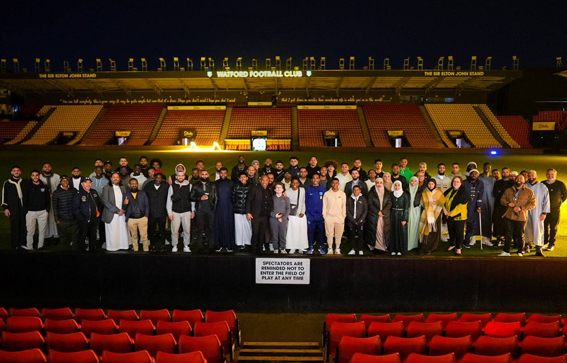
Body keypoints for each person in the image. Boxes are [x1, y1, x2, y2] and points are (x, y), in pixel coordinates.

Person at [499, 174, 536, 257]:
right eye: (517, 178)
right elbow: (502, 199)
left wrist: (521, 208)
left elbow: (533, 204)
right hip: (509, 216)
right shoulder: (508, 190)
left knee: (520, 235)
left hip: (521, 217)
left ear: (524, 181)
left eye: (521, 178)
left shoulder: (529, 192)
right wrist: (508, 203)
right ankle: (506, 251)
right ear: (515, 180)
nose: (519, 180)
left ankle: (520, 251)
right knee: (508, 234)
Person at [101, 172, 130, 252]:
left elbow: (125, 199)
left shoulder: (122, 187)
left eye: (117, 177)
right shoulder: (106, 188)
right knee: (112, 231)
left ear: (119, 179)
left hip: (122, 213)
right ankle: (112, 247)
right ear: (111, 179)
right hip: (112, 213)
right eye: (113, 177)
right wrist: (117, 211)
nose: (115, 179)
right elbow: (105, 201)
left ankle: (122, 245)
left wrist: (124, 207)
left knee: (122, 230)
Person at [167, 171, 194, 253]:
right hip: (175, 211)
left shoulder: (190, 186)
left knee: (187, 230)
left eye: (182, 175)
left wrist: (192, 211)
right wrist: (170, 212)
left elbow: (192, 200)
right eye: (179, 176)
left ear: (184, 176)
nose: (180, 177)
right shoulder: (172, 186)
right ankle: (175, 245)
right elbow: (169, 200)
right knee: (174, 231)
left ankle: (186, 245)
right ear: (176, 177)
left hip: (186, 211)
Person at [23, 170, 51, 250]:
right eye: (33, 175)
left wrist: (47, 210)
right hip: (30, 212)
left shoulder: (44, 186)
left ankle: (40, 247)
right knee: (30, 231)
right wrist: (26, 210)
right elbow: (25, 199)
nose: (35, 177)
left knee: (42, 231)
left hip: (42, 212)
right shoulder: (27, 186)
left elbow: (48, 199)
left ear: (39, 176)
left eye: (37, 175)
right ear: (31, 176)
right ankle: (30, 247)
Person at [463, 169, 491, 248]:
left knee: (471, 224)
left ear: (478, 175)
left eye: (476, 174)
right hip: (464, 206)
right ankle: (459, 240)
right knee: (462, 224)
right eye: (472, 173)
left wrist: (479, 206)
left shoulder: (480, 183)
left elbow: (480, 196)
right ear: (469, 174)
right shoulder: (464, 183)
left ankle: (467, 240)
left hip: (474, 207)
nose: (474, 175)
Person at [73, 178, 103, 252]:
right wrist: (82, 219)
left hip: (94, 219)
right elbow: (76, 208)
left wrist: (98, 213)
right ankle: (81, 252)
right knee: (82, 236)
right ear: (82, 184)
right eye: (86, 183)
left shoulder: (94, 192)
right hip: (83, 220)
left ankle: (92, 250)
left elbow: (99, 203)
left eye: (89, 182)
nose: (88, 184)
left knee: (93, 235)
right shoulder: (78, 194)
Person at [525, 170, 550, 256]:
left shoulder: (542, 187)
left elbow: (547, 200)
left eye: (533, 175)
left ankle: (538, 248)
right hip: (526, 210)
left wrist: (544, 212)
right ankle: (527, 244)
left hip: (538, 210)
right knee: (526, 227)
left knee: (538, 228)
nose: (531, 177)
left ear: (536, 176)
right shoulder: (524, 186)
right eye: (529, 175)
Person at [192, 170, 217, 252]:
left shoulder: (212, 185)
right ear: (200, 175)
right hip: (200, 210)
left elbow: (216, 198)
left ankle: (211, 245)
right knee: (200, 228)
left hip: (210, 210)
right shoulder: (196, 185)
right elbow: (191, 197)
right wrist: (200, 198)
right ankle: (200, 245)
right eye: (202, 174)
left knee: (211, 228)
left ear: (208, 175)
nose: (204, 176)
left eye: (206, 174)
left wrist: (214, 208)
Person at [246, 175, 273, 254]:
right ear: (260, 181)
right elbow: (248, 200)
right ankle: (253, 249)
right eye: (263, 180)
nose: (265, 182)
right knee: (255, 233)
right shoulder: (255, 188)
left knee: (262, 234)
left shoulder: (269, 190)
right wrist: (248, 212)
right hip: (255, 215)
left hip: (264, 216)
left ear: (268, 181)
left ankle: (260, 249)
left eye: (266, 180)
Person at [2, 166, 27, 249]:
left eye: (18, 171)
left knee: (24, 225)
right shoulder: (7, 183)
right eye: (14, 171)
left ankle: (23, 243)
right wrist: (6, 208)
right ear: (11, 172)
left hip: (23, 207)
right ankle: (15, 244)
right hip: (13, 208)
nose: (16, 172)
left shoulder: (24, 182)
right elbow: (4, 196)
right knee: (15, 225)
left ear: (20, 172)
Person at [419, 179, 446, 255]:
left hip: (435, 216)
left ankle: (431, 248)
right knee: (425, 231)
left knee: (433, 232)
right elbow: (422, 203)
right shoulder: (424, 192)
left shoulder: (439, 192)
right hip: (426, 215)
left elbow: (442, 203)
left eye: (432, 184)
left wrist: (437, 201)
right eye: (429, 184)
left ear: (435, 185)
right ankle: (423, 247)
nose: (431, 185)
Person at [542, 169, 567, 251]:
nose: (550, 176)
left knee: (553, 227)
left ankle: (551, 244)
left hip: (555, 209)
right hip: (544, 209)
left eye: (552, 174)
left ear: (555, 175)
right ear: (546, 174)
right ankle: (545, 242)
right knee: (544, 226)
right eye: (549, 174)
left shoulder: (560, 184)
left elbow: (565, 196)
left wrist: (558, 203)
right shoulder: (542, 184)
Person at [443, 176, 469, 256]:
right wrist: (444, 210)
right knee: (451, 231)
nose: (456, 183)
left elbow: (461, 206)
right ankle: (452, 244)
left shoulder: (464, 193)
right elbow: (442, 200)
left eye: (458, 181)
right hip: (449, 215)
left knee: (459, 232)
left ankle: (458, 247)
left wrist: (450, 213)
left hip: (458, 216)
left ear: (461, 183)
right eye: (454, 181)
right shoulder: (449, 191)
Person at [144, 172, 169, 253]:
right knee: (152, 229)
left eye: (160, 178)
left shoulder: (166, 186)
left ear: (162, 178)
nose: (158, 179)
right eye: (157, 177)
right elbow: (144, 198)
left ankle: (162, 244)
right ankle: (152, 244)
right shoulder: (148, 186)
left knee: (162, 229)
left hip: (162, 212)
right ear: (154, 178)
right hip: (151, 212)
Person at [52, 176, 79, 249]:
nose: (65, 182)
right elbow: (55, 207)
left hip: (74, 218)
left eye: (66, 180)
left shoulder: (74, 190)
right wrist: (56, 219)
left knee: (75, 235)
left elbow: (78, 203)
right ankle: (64, 250)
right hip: (62, 218)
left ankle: (74, 249)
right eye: (63, 181)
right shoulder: (56, 192)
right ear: (60, 182)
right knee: (63, 236)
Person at [365, 178, 391, 253]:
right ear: (375, 183)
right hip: (374, 215)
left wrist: (383, 211)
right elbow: (369, 203)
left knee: (384, 230)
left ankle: (383, 246)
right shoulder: (371, 192)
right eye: (377, 183)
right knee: (376, 230)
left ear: (383, 183)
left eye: (381, 182)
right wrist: (377, 212)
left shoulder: (387, 192)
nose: (379, 184)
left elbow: (389, 203)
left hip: (384, 215)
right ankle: (376, 246)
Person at [124, 178, 150, 252]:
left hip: (142, 218)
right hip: (131, 219)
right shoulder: (126, 194)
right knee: (134, 236)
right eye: (132, 183)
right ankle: (135, 250)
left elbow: (147, 205)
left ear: (138, 184)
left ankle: (146, 250)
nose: (134, 185)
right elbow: (124, 208)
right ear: (129, 185)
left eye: (135, 183)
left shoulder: (143, 193)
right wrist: (125, 204)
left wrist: (146, 216)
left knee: (144, 236)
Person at [322, 178, 347, 255]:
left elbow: (344, 206)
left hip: (339, 217)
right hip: (329, 217)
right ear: (331, 184)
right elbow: (324, 206)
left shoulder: (342, 194)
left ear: (338, 184)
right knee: (329, 234)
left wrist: (343, 216)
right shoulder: (327, 194)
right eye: (333, 183)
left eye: (336, 183)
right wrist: (325, 216)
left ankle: (337, 248)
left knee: (338, 234)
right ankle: (330, 248)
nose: (335, 184)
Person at [305, 174, 327, 255]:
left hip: (321, 216)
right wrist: (307, 213)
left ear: (319, 179)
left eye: (317, 178)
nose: (315, 179)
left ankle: (321, 247)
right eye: (313, 178)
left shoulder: (323, 189)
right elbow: (306, 202)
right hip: (311, 216)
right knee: (311, 232)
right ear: (311, 180)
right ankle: (310, 246)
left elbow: (326, 203)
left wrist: (324, 214)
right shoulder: (308, 189)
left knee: (321, 231)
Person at [214, 168, 234, 252]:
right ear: (219, 173)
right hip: (218, 208)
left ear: (227, 174)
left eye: (224, 173)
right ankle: (218, 244)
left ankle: (229, 245)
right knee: (218, 226)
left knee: (228, 226)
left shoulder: (231, 183)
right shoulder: (215, 183)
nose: (223, 175)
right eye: (221, 173)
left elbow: (234, 195)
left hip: (229, 207)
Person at [286, 178, 308, 254]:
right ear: (291, 183)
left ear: (299, 183)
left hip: (300, 215)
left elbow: (303, 201)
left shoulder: (302, 190)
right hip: (291, 215)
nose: (295, 184)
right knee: (292, 232)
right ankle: (293, 247)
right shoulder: (287, 192)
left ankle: (300, 247)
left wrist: (303, 211)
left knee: (301, 231)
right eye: (293, 182)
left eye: (297, 183)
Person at [492, 168, 514, 246]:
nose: (505, 173)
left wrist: (501, 193)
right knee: (498, 222)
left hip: (509, 206)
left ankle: (507, 238)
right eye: (503, 172)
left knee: (508, 223)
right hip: (499, 205)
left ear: (509, 173)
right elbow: (495, 193)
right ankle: (498, 238)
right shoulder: (498, 183)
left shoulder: (512, 182)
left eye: (506, 172)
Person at [40, 162, 60, 243]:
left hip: (55, 200)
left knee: (55, 217)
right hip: (43, 202)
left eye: (49, 166)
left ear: (51, 168)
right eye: (45, 167)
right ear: (42, 169)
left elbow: (59, 187)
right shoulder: (40, 177)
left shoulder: (56, 176)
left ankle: (56, 235)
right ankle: (46, 236)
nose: (47, 168)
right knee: (45, 218)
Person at [232, 172, 252, 250]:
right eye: (241, 177)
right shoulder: (236, 187)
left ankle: (247, 243)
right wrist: (236, 205)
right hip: (238, 210)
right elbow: (233, 198)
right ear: (239, 179)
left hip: (247, 211)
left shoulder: (251, 187)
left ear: (247, 178)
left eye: (244, 177)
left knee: (247, 227)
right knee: (239, 227)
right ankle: (239, 243)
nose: (243, 179)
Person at [346, 185, 368, 255]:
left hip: (360, 221)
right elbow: (347, 210)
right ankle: (352, 249)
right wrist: (352, 220)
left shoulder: (363, 199)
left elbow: (365, 210)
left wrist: (360, 220)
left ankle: (360, 249)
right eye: (354, 190)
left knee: (360, 235)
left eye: (357, 190)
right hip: (351, 221)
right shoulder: (349, 199)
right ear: (353, 191)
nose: (356, 191)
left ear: (360, 191)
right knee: (351, 235)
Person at [390, 180, 409, 256]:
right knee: (393, 232)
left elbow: (406, 207)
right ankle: (393, 249)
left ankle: (401, 250)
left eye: (398, 185)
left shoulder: (405, 195)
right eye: (395, 185)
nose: (397, 187)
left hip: (401, 215)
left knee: (401, 232)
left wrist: (405, 219)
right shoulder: (391, 194)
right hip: (393, 215)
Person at [270, 183, 290, 254]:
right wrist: (274, 215)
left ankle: (282, 248)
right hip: (273, 220)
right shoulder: (271, 198)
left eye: (280, 187)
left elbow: (288, 209)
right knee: (274, 234)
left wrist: (283, 218)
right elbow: (269, 209)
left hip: (283, 220)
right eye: (277, 188)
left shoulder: (286, 198)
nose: (278, 189)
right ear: (275, 189)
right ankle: (275, 248)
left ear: (283, 189)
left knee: (283, 234)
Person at [479, 162, 495, 244]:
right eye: (486, 167)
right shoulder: (479, 177)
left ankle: (488, 237)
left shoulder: (492, 179)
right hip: (482, 201)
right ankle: (476, 236)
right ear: (483, 167)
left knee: (489, 218)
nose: (487, 168)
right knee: (481, 218)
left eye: (489, 167)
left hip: (491, 201)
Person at [407, 176, 421, 251]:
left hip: (416, 211)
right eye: (412, 181)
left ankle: (414, 244)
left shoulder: (420, 191)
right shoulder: (406, 190)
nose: (413, 183)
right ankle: (408, 244)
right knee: (408, 226)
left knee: (415, 226)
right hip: (408, 210)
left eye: (415, 181)